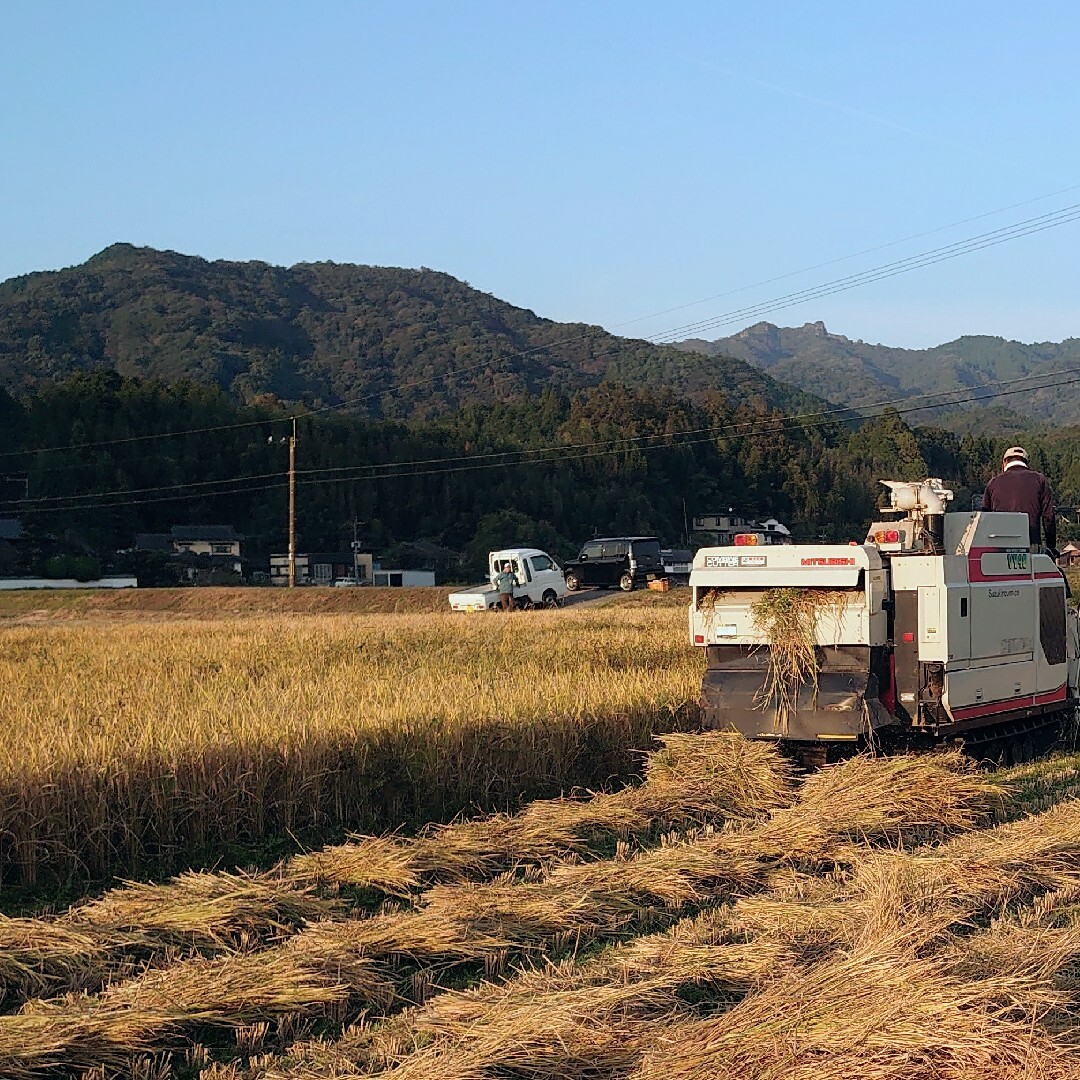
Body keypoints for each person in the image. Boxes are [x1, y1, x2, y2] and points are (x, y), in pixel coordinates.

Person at [982, 445, 1057, 553]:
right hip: (1030, 543)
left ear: (1004, 462)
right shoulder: (1039, 479)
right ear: (1026, 463)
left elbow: (985, 518)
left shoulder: (993, 483)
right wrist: (1051, 547)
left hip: (1000, 547)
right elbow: (1048, 516)